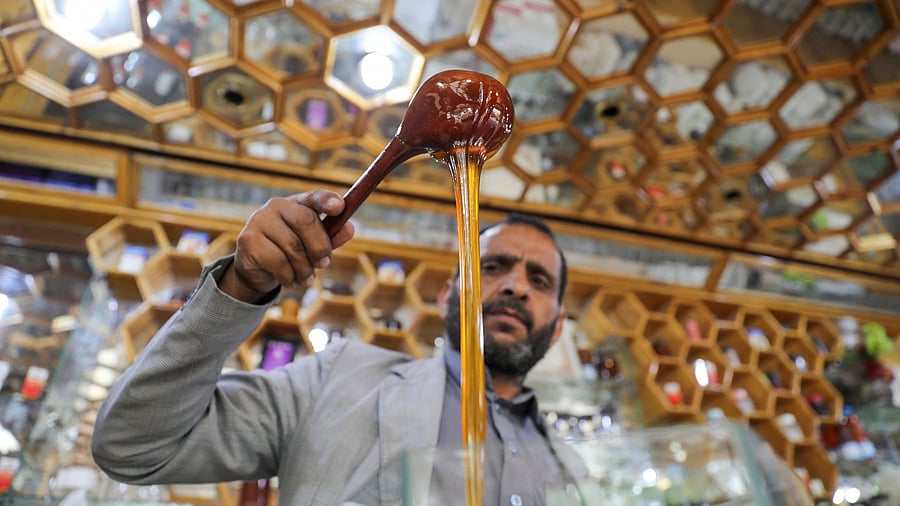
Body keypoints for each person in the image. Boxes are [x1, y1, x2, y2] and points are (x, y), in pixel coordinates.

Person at [90, 190, 589, 505]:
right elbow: (134, 446)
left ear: (558, 329)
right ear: (446, 296)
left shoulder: (575, 470)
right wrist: (241, 286)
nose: (515, 287)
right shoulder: (338, 378)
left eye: (539, 280)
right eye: (493, 267)